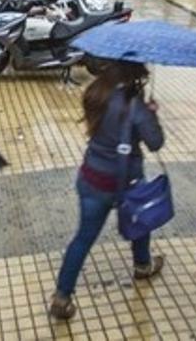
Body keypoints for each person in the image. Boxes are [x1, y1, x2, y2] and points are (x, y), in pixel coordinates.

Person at [50, 60, 165, 320]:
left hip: (91, 179)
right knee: (140, 220)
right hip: (125, 182)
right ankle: (143, 265)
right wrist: (152, 113)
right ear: (134, 73)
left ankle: (62, 296)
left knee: (82, 239)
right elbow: (156, 143)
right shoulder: (135, 106)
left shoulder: (95, 94)